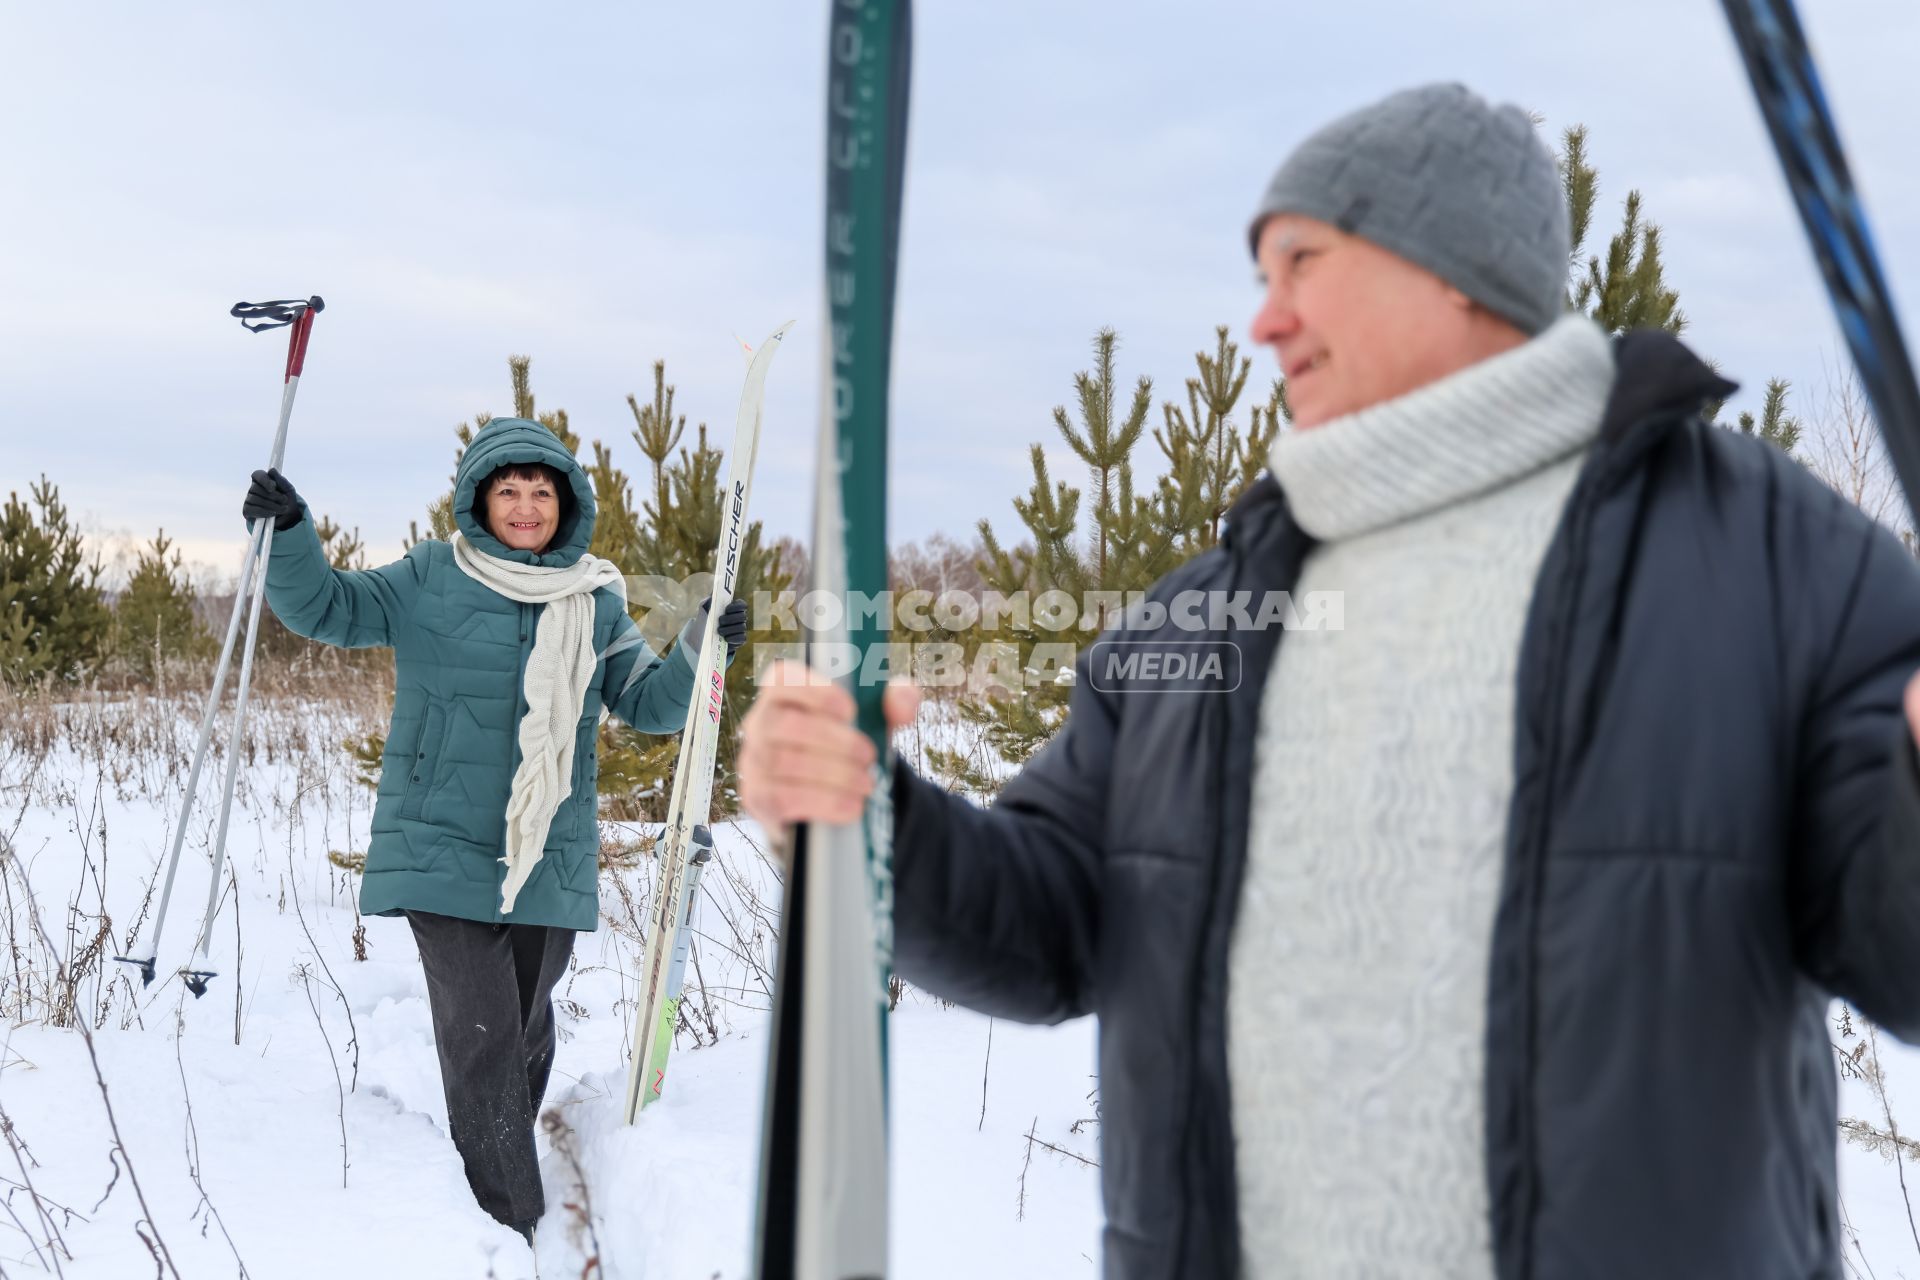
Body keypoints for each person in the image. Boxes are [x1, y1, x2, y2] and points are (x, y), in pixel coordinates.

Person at [736, 83, 1920, 1278]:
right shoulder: (1208, 611)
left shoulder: (1767, 557)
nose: (1265, 320)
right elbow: (1050, 926)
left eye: (1301, 261)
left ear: (1458, 265)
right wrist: (869, 821)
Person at [244, 416, 747, 1244]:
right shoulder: (430, 575)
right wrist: (291, 532)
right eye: (507, 491)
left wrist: (700, 646)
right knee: (481, 1028)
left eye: (540, 492)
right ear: (480, 500)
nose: (524, 506)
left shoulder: (595, 598)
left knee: (523, 1025)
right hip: (438, 840)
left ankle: (487, 1162)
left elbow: (653, 707)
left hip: (549, 849)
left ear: (566, 503)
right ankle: (509, 1223)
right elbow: (325, 609)